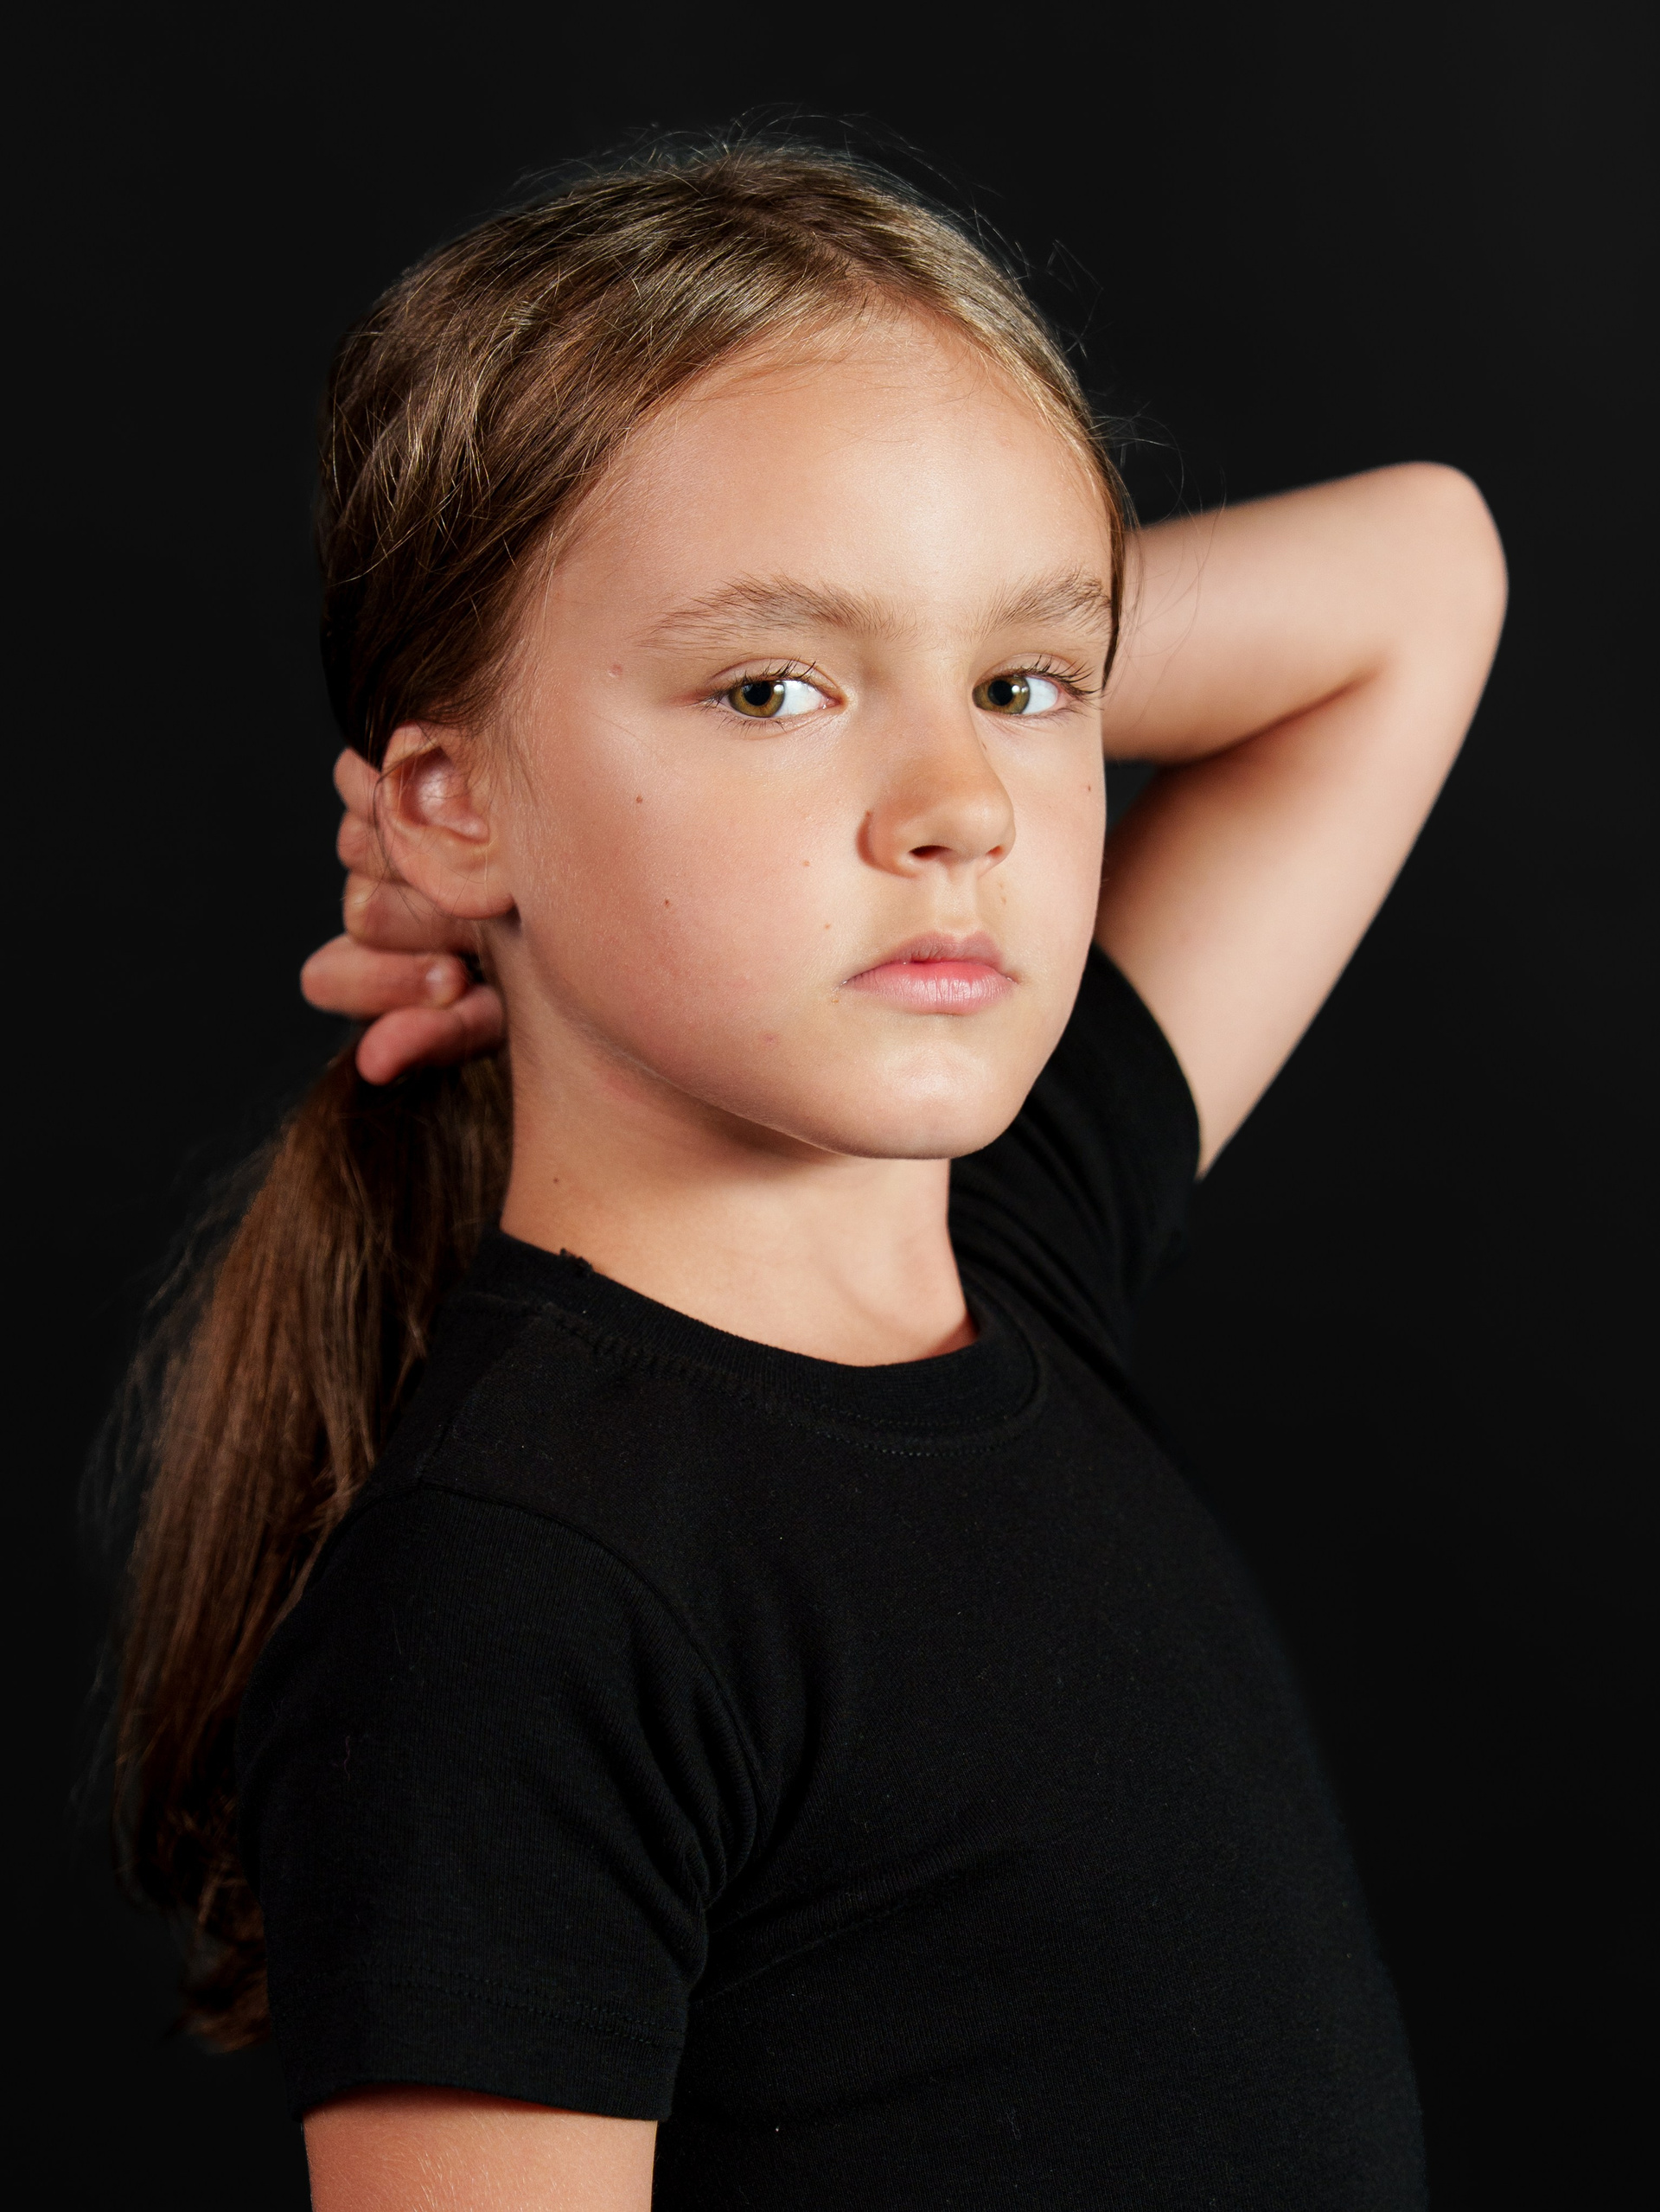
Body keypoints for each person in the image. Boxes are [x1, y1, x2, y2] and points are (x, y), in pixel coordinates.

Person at [113, 142, 1505, 2209]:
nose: (962, 804)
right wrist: (949, 647)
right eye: (774, 687)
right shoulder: (514, 1602)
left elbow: (1424, 573)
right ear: (443, 800)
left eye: (1027, 691)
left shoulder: (1016, 1247)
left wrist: (943, 645)